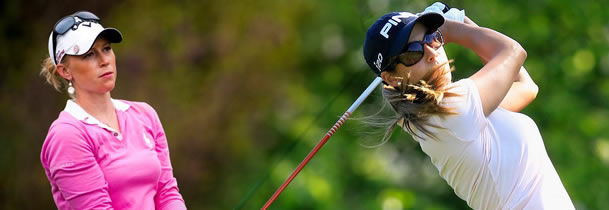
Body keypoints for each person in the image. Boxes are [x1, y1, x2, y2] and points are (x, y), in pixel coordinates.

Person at [362, 5, 575, 210]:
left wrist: (463, 21)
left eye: (430, 38)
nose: (431, 52)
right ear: (392, 78)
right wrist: (451, 29)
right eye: (413, 52)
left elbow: (525, 87)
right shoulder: (451, 109)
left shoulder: (442, 115)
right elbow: (513, 51)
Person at [39, 11, 186, 209]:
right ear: (65, 71)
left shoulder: (144, 115)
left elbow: (167, 193)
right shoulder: (67, 135)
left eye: (106, 49)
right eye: (89, 54)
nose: (104, 60)